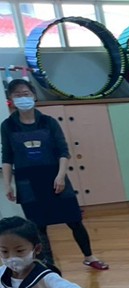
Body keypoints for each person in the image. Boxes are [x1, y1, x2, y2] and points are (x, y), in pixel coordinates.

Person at [1, 79, 107, 270]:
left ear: (34, 96)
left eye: (26, 94)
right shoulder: (8, 126)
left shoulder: (48, 122)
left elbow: (63, 151)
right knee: (38, 226)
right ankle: (48, 265)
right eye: (17, 95)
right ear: (11, 99)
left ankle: (89, 256)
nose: (22, 98)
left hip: (54, 176)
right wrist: (8, 184)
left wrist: (60, 176)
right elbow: (7, 156)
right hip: (27, 181)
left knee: (74, 220)